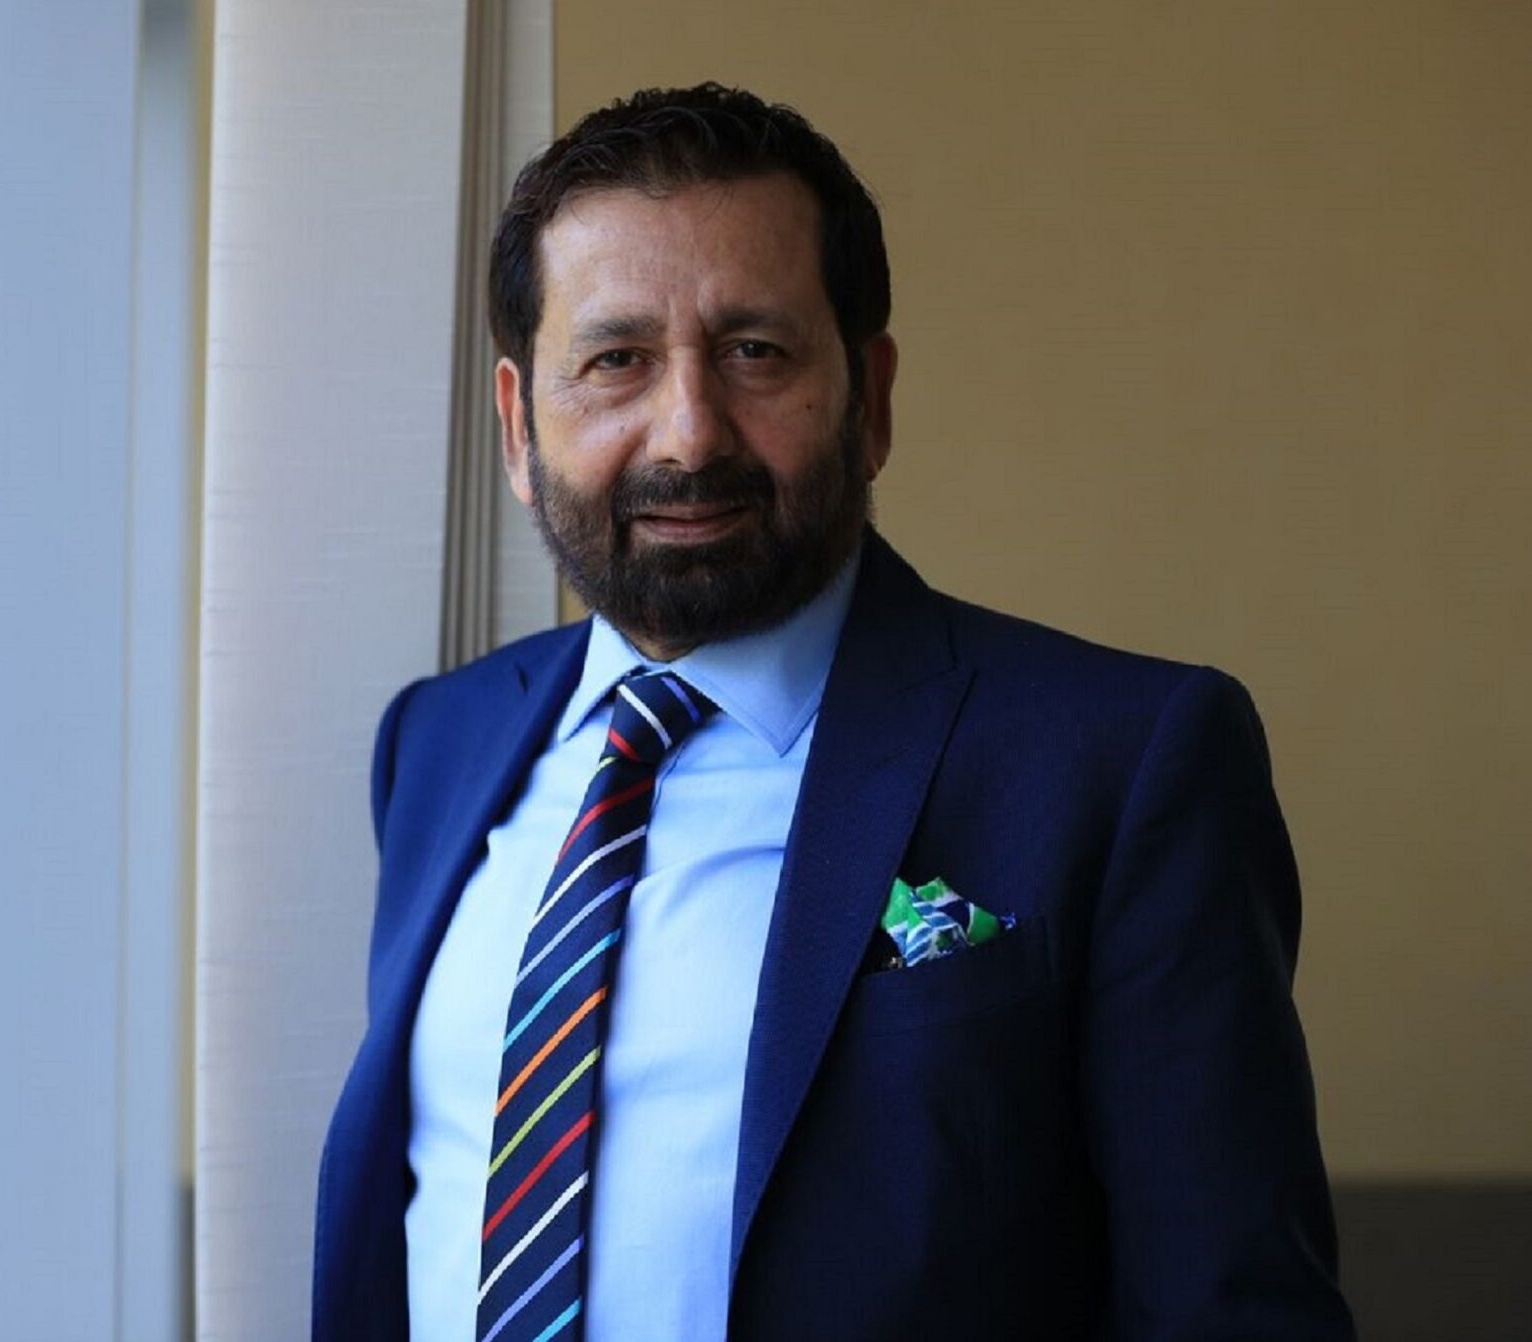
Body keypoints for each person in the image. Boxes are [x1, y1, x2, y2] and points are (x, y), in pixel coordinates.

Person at [314, 83, 1354, 1341]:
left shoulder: (1124, 761)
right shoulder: (435, 745)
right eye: (615, 360)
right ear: (518, 425)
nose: (689, 433)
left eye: (755, 351)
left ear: (872, 397)